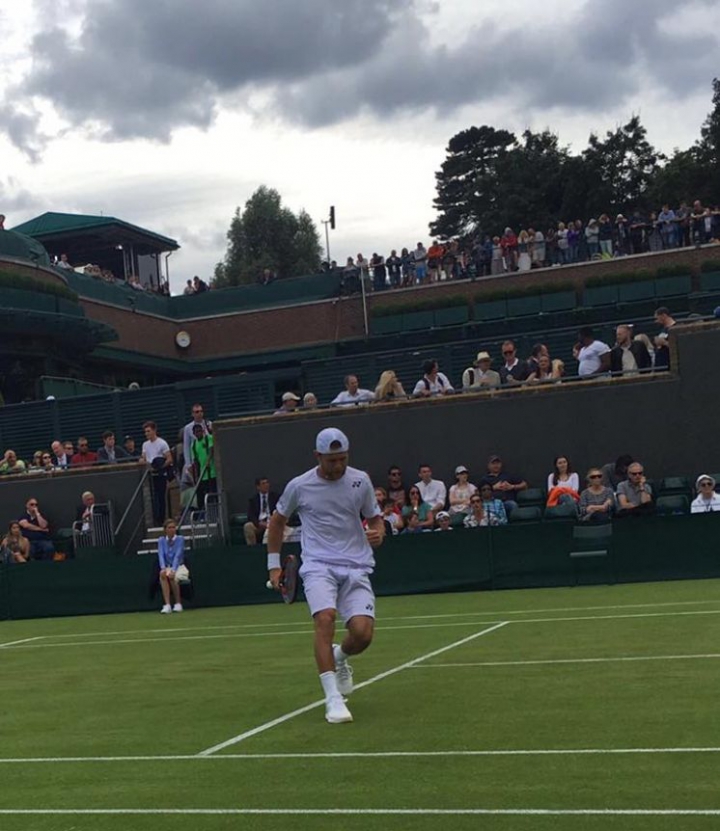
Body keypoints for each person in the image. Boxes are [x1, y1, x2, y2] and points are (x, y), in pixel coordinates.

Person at [266, 428, 385, 725]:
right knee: (325, 618)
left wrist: (379, 532)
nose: (338, 466)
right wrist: (273, 565)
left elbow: (374, 517)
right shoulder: (299, 486)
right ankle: (333, 699)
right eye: (332, 460)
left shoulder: (361, 481)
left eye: (343, 459)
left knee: (362, 634)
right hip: (318, 565)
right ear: (318, 457)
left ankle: (340, 657)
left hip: (356, 566)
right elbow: (277, 522)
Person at [140, 421, 173, 525]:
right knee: (152, 497)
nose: (147, 434)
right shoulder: (145, 444)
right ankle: (154, 518)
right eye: (145, 432)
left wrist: (160, 467)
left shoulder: (162, 443)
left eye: (148, 431)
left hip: (159, 473)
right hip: (150, 473)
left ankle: (161, 518)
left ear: (154, 430)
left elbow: (169, 459)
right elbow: (144, 458)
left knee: (160, 496)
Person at [157, 519, 185, 613]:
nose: (172, 529)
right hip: (167, 566)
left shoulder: (180, 539)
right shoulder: (161, 540)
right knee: (163, 575)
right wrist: (163, 568)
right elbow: (160, 554)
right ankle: (167, 605)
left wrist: (173, 569)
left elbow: (178, 555)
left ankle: (178, 603)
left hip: (180, 567)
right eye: (169, 528)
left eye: (173, 527)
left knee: (172, 576)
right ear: (165, 529)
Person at [244, 477, 279, 546]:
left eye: (267, 483)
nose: (266, 485)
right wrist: (259, 523)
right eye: (263, 483)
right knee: (247, 526)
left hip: (272, 522)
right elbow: (250, 515)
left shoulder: (275, 497)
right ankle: (253, 549)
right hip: (259, 523)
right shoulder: (253, 499)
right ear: (258, 487)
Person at [190, 423, 216, 509]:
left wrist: (208, 461)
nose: (198, 433)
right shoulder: (193, 445)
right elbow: (195, 461)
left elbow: (211, 450)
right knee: (204, 495)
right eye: (196, 432)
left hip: (213, 473)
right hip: (203, 475)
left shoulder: (209, 439)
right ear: (194, 434)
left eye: (199, 431)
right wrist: (196, 476)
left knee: (214, 493)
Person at [183, 404, 213, 475]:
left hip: (209, 456)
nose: (199, 413)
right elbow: (186, 447)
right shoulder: (188, 428)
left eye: (201, 411)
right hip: (196, 459)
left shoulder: (209, 424)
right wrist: (188, 464)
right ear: (192, 414)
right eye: (197, 412)